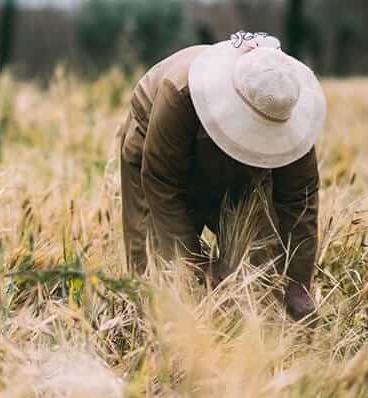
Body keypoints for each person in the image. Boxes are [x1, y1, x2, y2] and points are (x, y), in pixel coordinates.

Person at [119, 31, 326, 321]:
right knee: (157, 268)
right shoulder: (180, 92)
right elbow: (162, 185)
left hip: (241, 167)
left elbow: (298, 201)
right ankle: (155, 342)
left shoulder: (288, 111)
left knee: (258, 271)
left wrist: (298, 283)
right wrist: (194, 264)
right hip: (156, 141)